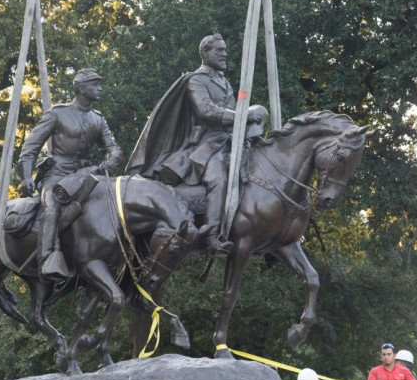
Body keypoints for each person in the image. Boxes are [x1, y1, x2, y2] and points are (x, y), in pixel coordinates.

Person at [126, 34, 263, 256]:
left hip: (229, 141)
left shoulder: (224, 81)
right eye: (219, 50)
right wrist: (243, 115)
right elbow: (206, 112)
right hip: (206, 145)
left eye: (225, 50)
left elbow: (234, 109)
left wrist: (248, 114)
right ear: (205, 53)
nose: (225, 54)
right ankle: (211, 237)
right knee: (218, 179)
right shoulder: (196, 80)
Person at [16, 68, 125, 281]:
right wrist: (26, 175)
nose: (100, 88)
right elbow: (31, 147)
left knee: (113, 202)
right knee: (51, 206)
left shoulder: (98, 119)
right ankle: (47, 259)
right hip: (56, 174)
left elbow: (113, 147)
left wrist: (112, 159)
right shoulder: (57, 113)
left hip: (86, 174)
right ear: (81, 88)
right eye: (95, 84)